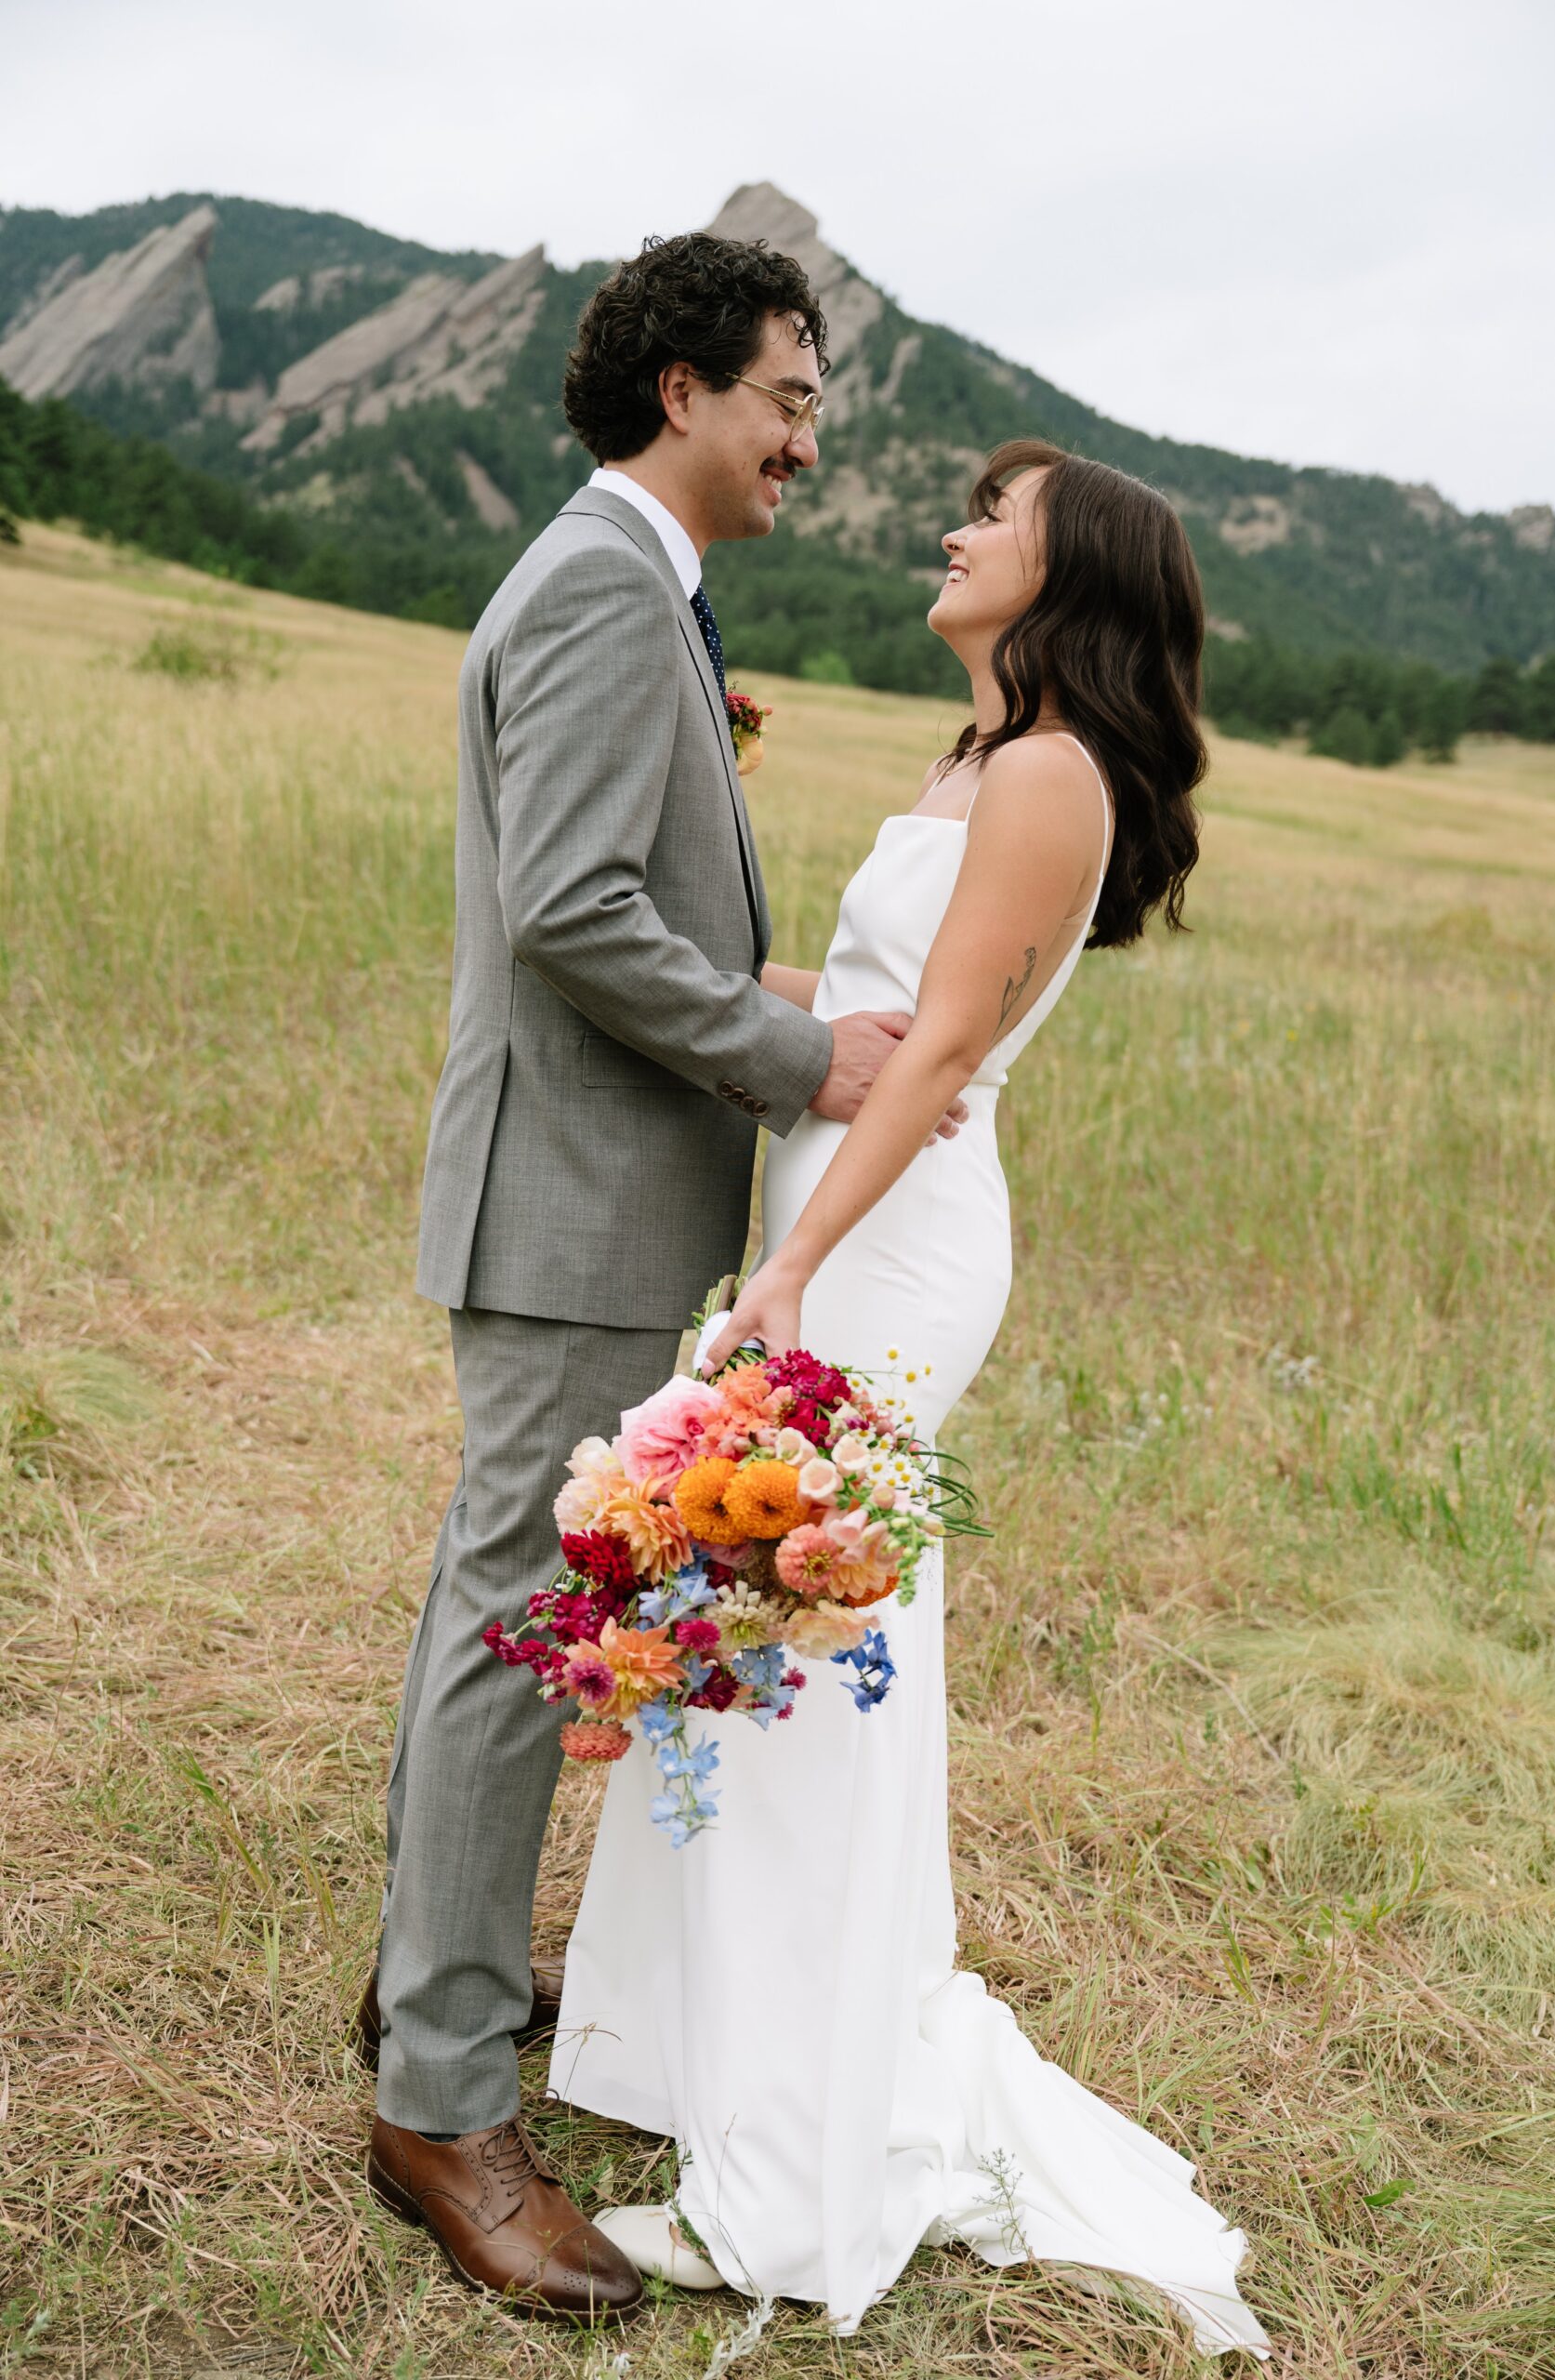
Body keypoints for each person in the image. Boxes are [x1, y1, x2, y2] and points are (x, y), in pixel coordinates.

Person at [550, 439, 1273, 2358]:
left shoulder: (1049, 776)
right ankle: (721, 2056)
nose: (956, 530)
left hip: (887, 1251)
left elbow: (949, 1044)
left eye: (996, 519)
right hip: (836, 1215)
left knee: (798, 1651)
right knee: (750, 1644)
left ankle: (789, 2173)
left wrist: (787, 1273)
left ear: (1062, 579)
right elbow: (875, 1003)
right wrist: (712, 985)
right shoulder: (974, 758)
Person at [360, 230, 966, 2320]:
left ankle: (432, 1972)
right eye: (792, 396)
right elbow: (573, 915)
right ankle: (439, 2096)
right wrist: (805, 1051)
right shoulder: (612, 585)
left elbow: (630, 899)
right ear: (685, 391)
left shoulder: (630, 582)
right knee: (514, 1616)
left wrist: (775, 978)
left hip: (584, 1193)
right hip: (570, 1202)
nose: (810, 438)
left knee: (507, 1607)